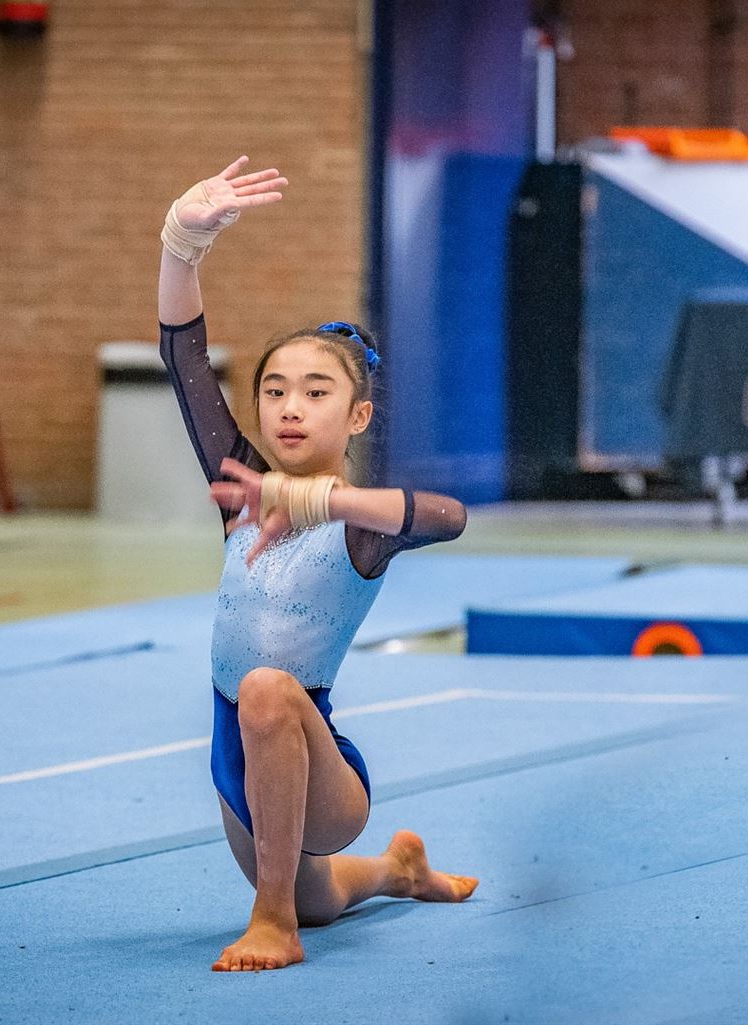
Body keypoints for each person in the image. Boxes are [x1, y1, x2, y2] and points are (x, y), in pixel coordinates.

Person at [156, 157, 478, 973]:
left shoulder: (359, 528)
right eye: (274, 391)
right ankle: (398, 870)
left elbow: (448, 517)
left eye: (315, 392)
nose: (290, 407)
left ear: (358, 414)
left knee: (268, 688)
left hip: (319, 763)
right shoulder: (242, 493)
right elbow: (185, 363)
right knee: (321, 895)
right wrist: (181, 245)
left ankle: (272, 922)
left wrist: (323, 500)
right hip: (235, 755)